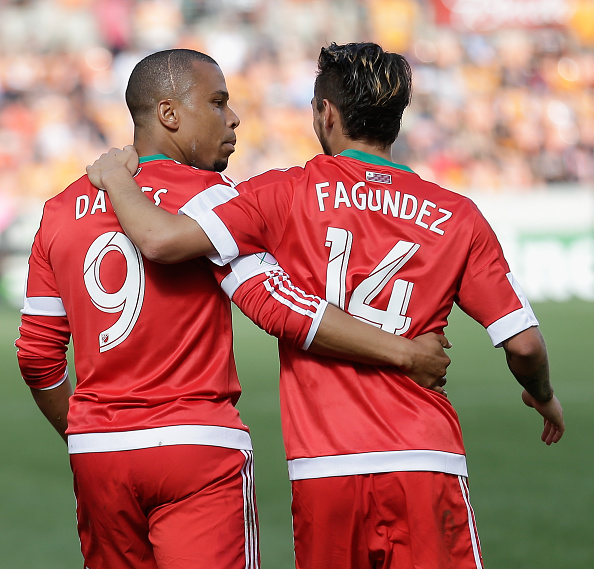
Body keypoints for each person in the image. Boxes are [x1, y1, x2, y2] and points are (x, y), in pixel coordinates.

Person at [87, 42, 565, 569]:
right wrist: (541, 393)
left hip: (325, 468)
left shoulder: (282, 194)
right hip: (426, 458)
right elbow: (523, 345)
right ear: (397, 119)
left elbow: (159, 239)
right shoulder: (457, 215)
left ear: (326, 112)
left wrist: (115, 177)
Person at [15, 49, 452, 569]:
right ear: (169, 114)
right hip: (198, 445)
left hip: (99, 454)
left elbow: (37, 359)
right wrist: (404, 354)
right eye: (218, 103)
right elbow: (276, 305)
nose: (234, 117)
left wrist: (97, 435)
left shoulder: (60, 209)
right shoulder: (215, 199)